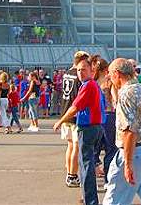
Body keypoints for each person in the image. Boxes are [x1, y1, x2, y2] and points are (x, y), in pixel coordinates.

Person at [103, 58, 141, 205]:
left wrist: (128, 163)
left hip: (133, 151)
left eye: (111, 75)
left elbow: (130, 130)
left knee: (114, 200)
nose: (110, 79)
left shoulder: (126, 94)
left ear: (117, 74)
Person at [54, 57, 105, 205]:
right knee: (86, 163)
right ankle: (88, 197)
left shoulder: (89, 85)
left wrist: (60, 120)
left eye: (83, 69)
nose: (80, 73)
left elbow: (75, 107)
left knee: (86, 166)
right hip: (93, 126)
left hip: (88, 127)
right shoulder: (91, 85)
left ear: (91, 70)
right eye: (78, 70)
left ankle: (90, 200)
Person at [60, 51, 90, 188]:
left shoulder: (67, 73)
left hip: (65, 110)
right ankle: (72, 175)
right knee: (76, 147)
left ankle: (69, 171)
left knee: (70, 145)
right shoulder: (79, 75)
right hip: (74, 113)